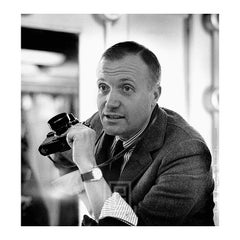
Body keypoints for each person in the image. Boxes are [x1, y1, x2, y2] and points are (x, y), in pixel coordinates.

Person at [53, 41, 215, 226]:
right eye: (103, 87)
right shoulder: (100, 122)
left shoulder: (187, 153)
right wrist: (83, 182)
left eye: (126, 88)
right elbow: (62, 157)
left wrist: (88, 171)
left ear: (154, 95)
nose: (110, 102)